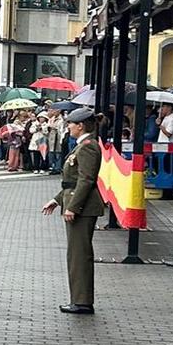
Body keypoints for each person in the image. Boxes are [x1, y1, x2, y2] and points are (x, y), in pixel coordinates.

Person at [42, 107, 103, 315]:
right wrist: (57, 200)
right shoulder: (83, 145)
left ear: (81, 126)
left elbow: (86, 180)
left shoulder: (87, 146)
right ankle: (79, 298)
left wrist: (73, 207)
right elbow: (72, 182)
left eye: (70, 124)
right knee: (75, 254)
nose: (68, 127)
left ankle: (82, 301)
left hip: (83, 208)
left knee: (79, 255)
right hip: (77, 204)